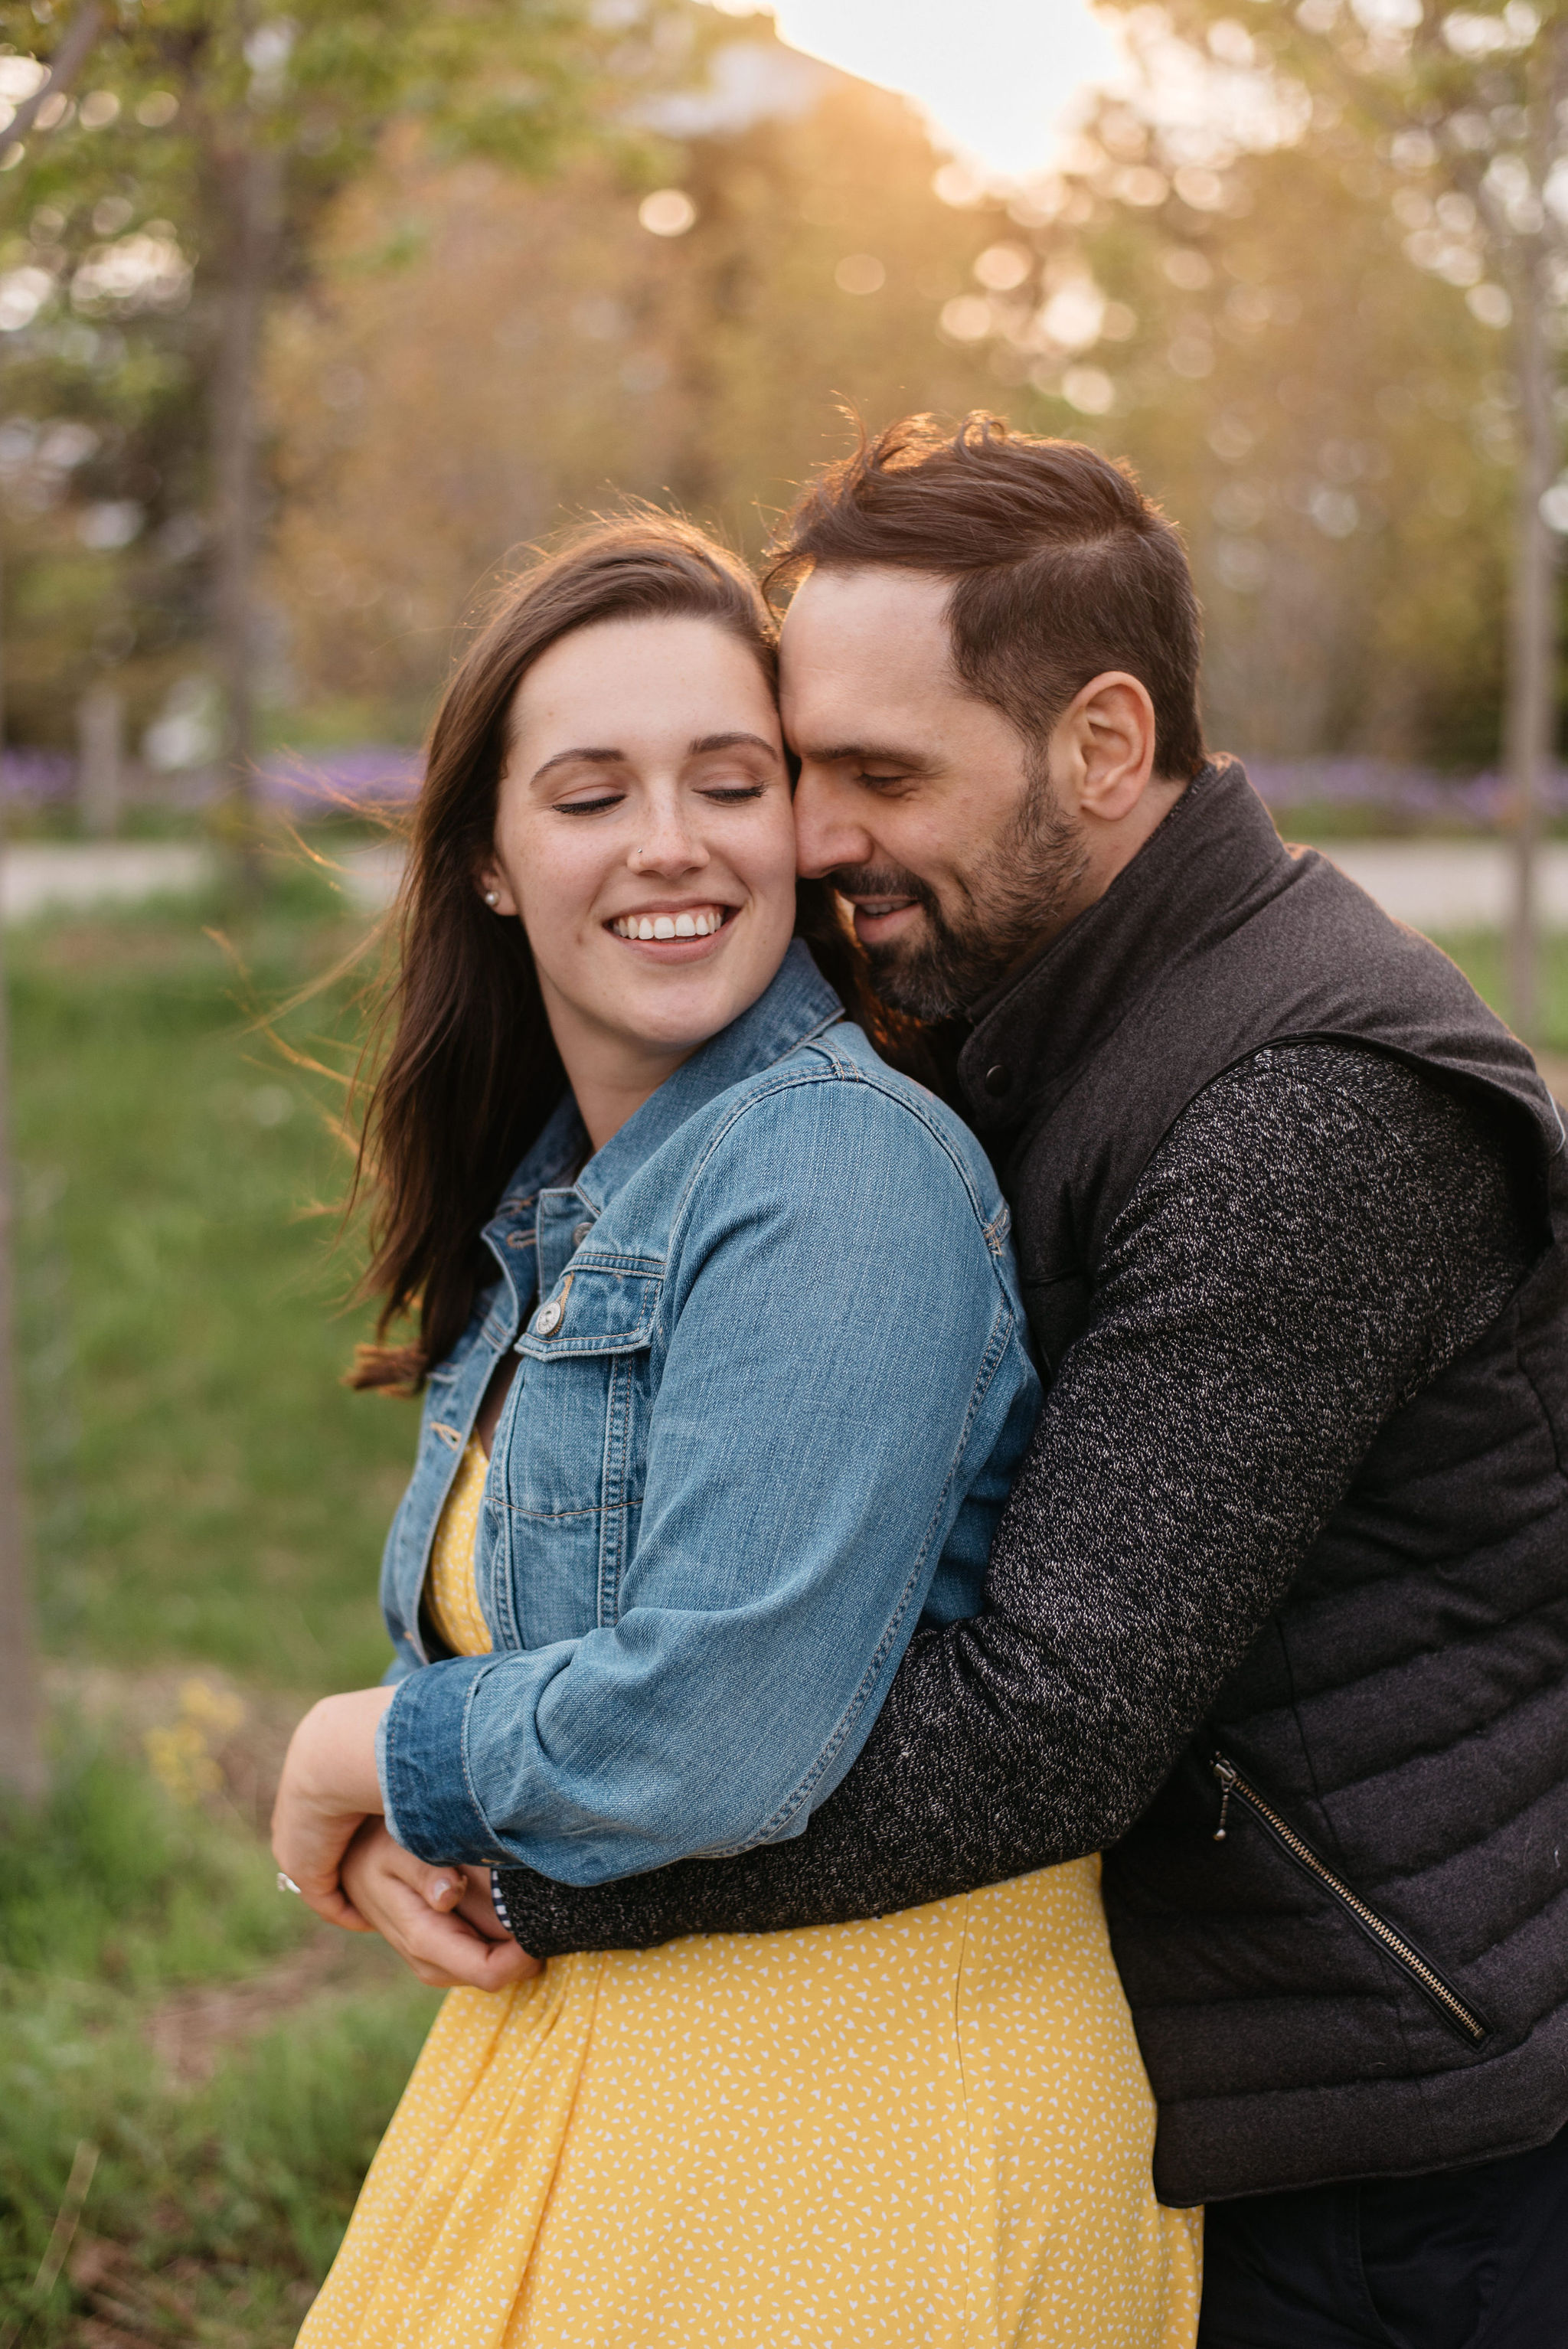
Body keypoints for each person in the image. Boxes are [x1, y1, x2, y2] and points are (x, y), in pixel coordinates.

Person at [485, 419, 1568, 2348]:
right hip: (1209, 2070)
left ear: (1102, 745)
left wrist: (513, 1845)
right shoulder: (1044, 1008)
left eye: (882, 776)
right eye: (802, 769)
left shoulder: (1305, 1105)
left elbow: (1044, 1723)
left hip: (1400, 2142)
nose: (814, 839)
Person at [271, 515, 1202, 2347]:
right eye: (590, 791)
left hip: (855, 2117)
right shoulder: (580, 1196)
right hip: (631, 2067)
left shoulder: (831, 1167)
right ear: (483, 854)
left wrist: (358, 1746)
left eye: (730, 778)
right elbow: (529, 1629)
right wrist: (407, 1817)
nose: (672, 842)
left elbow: (719, 1714)